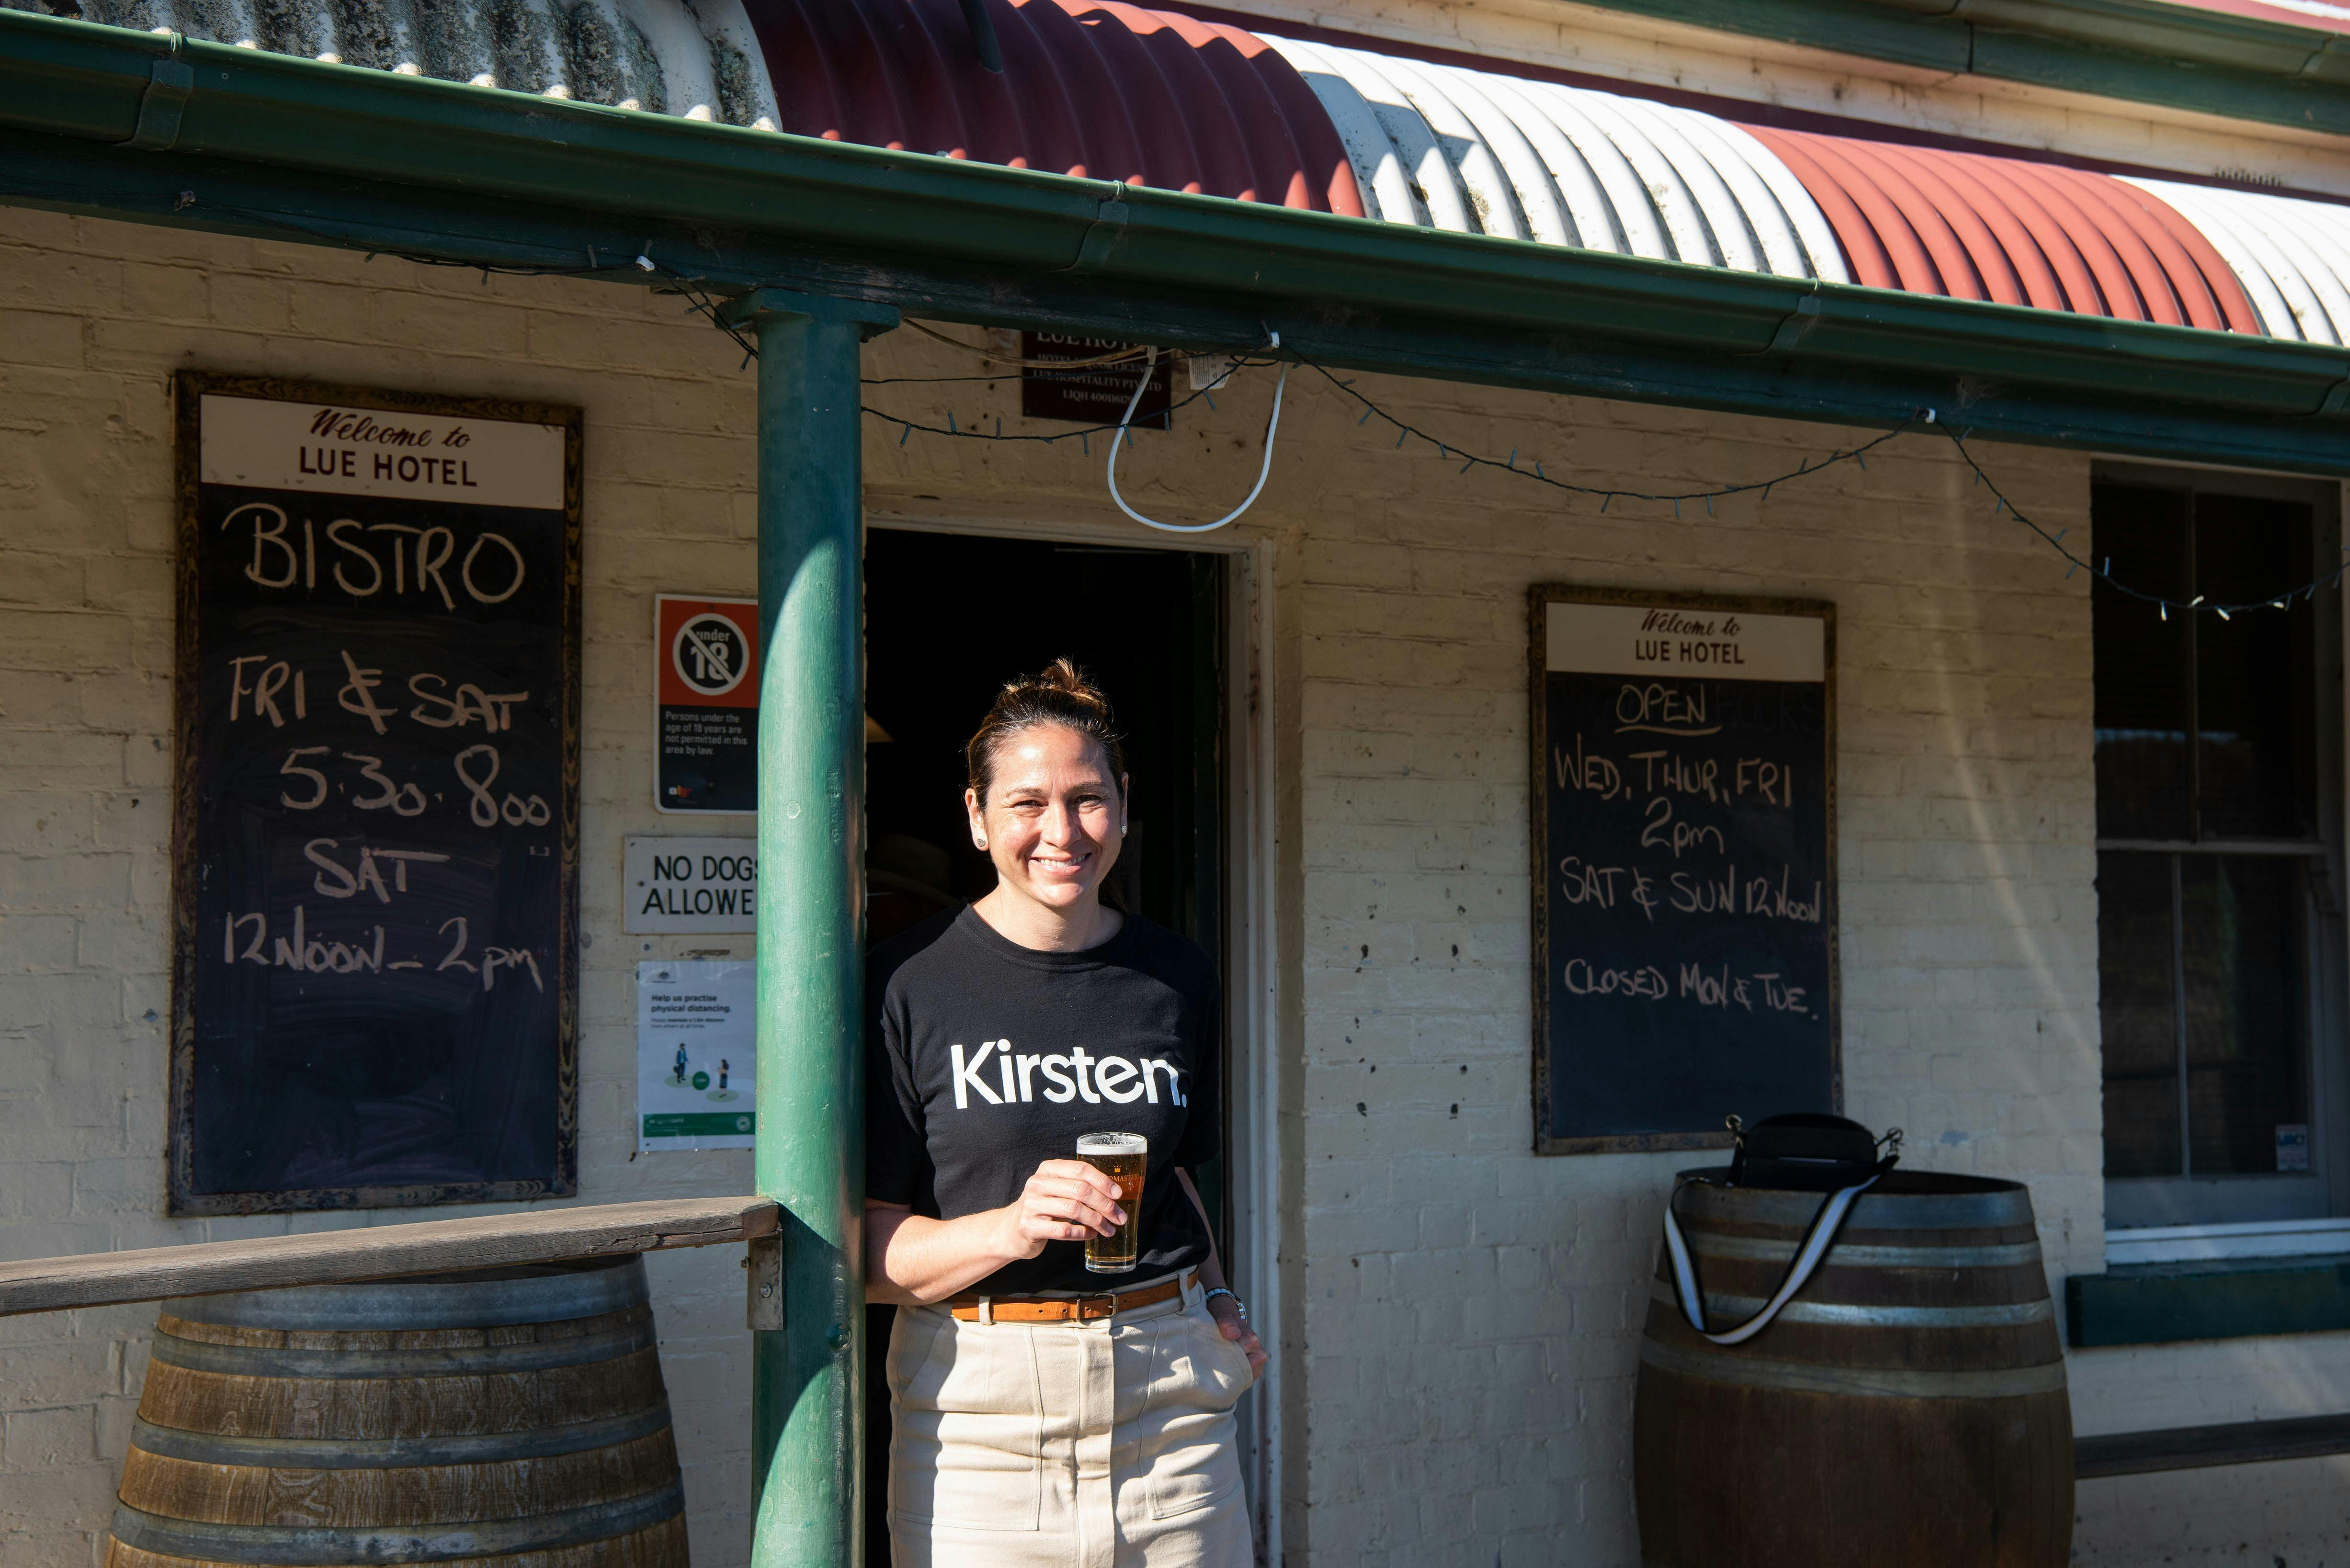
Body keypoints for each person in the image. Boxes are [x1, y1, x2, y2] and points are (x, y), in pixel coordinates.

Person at [866, 660, 1263, 1568]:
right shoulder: (906, 981)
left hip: (1172, 1397)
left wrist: (1225, 1305)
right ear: (976, 816)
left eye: (1088, 800)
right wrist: (1009, 1227)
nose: (1062, 832)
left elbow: (1178, 1178)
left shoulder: (1177, 976)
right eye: (1027, 804)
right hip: (978, 1412)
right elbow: (862, 1251)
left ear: (1122, 806)